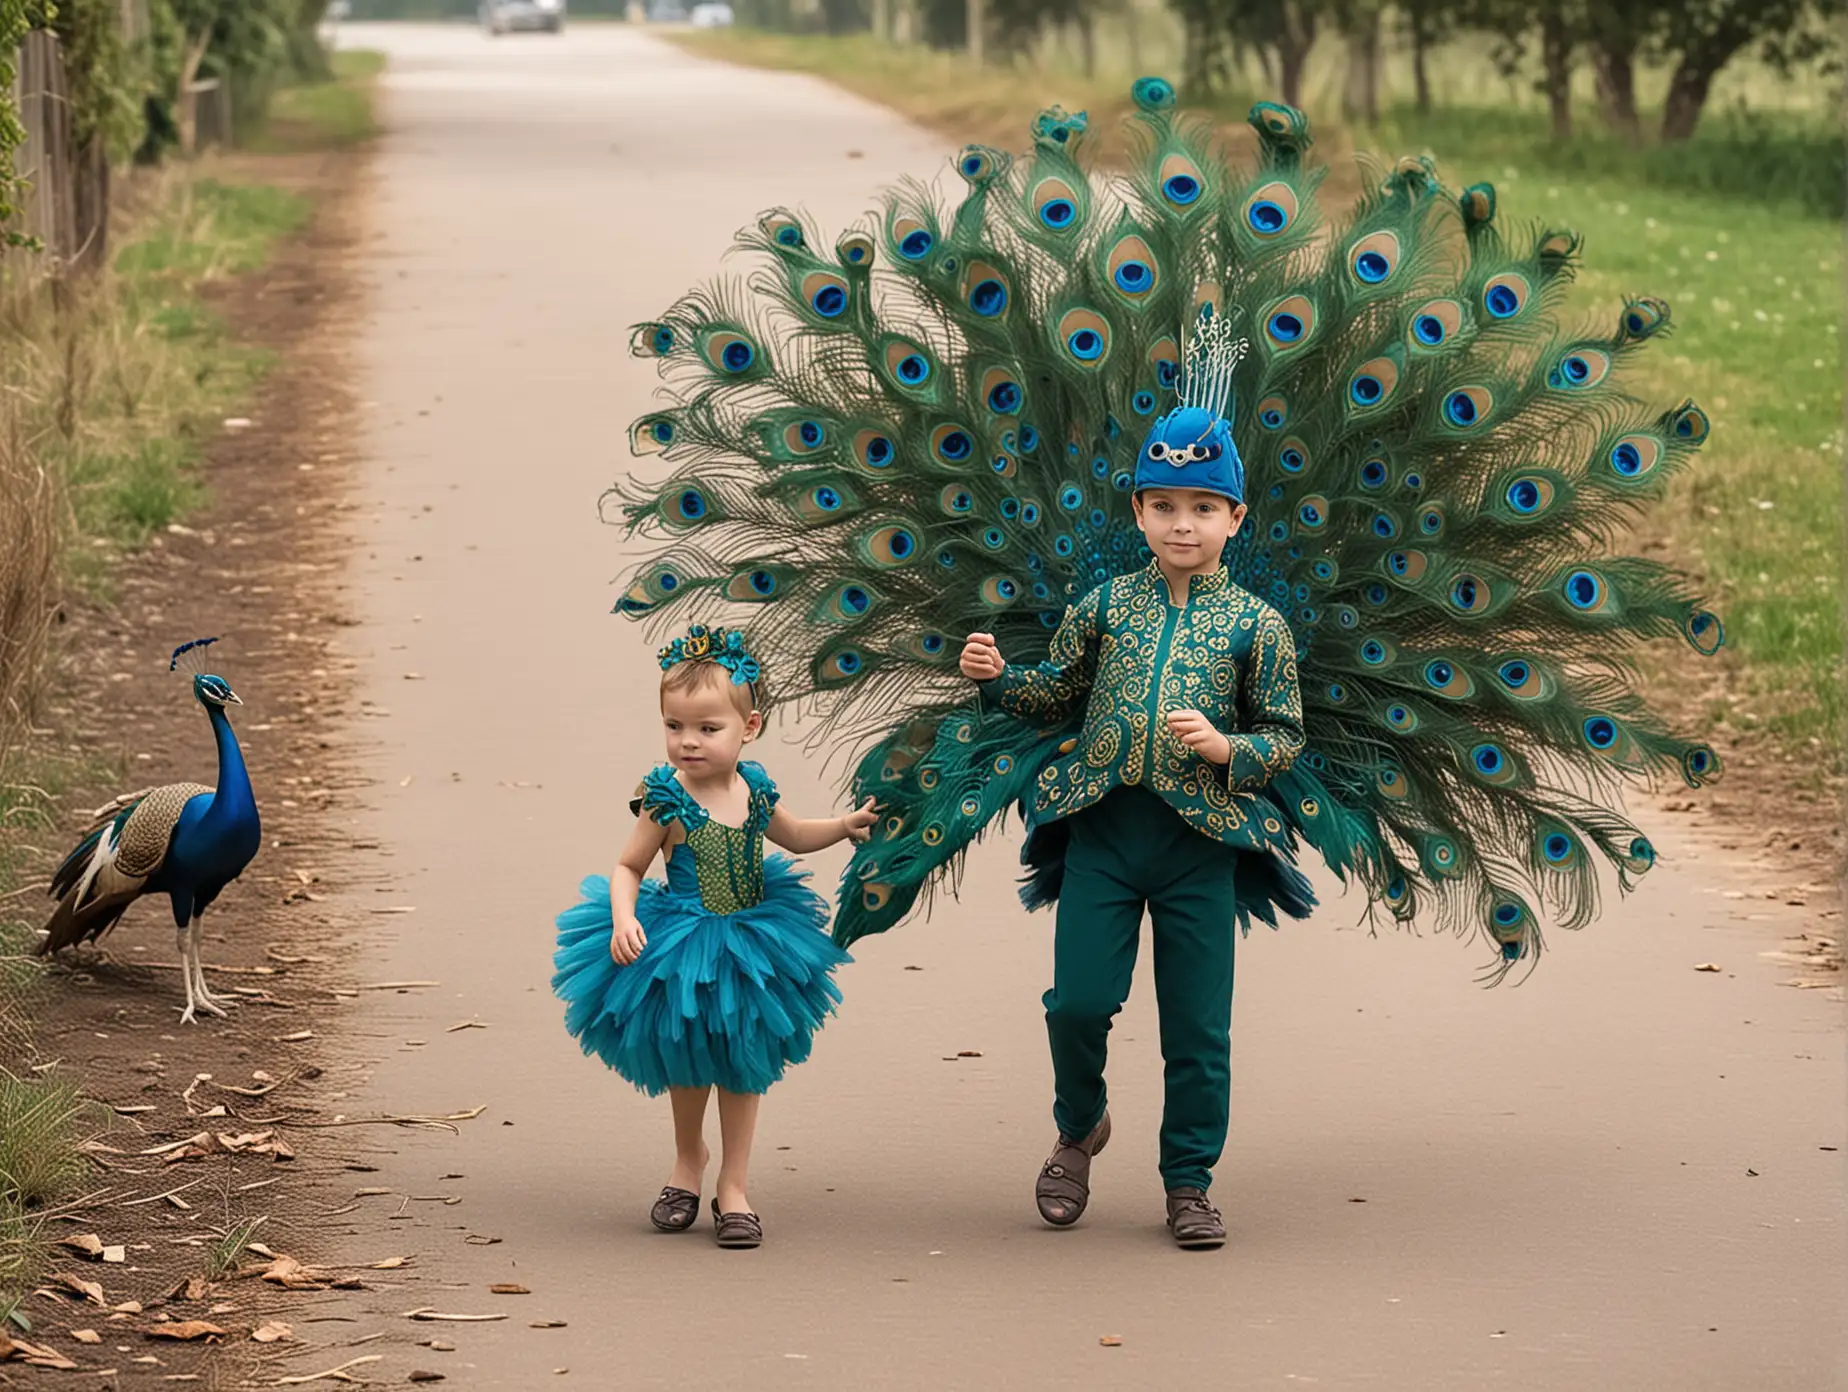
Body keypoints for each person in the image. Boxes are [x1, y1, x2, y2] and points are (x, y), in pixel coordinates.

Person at [960, 326, 1306, 1250]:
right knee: (1076, 1002)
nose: (1181, 523)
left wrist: (1232, 748)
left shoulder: (1258, 627)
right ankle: (1080, 1128)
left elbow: (1286, 738)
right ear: (1138, 511)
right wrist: (997, 677)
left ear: (1237, 517)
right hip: (1105, 835)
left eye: (1202, 505)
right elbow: (1052, 698)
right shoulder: (1105, 607)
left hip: (1200, 847)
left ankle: (1188, 1181)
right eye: (1162, 505)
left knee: (1198, 1032)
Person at [552, 624, 877, 1249]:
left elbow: (792, 834)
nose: (688, 742)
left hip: (754, 944)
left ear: (748, 728)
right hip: (683, 942)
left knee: (743, 1060)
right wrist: (625, 916)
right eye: (675, 726)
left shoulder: (753, 787)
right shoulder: (665, 799)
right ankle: (686, 1161)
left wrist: (841, 825)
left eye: (707, 728)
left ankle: (734, 1183)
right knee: (687, 1057)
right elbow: (628, 867)